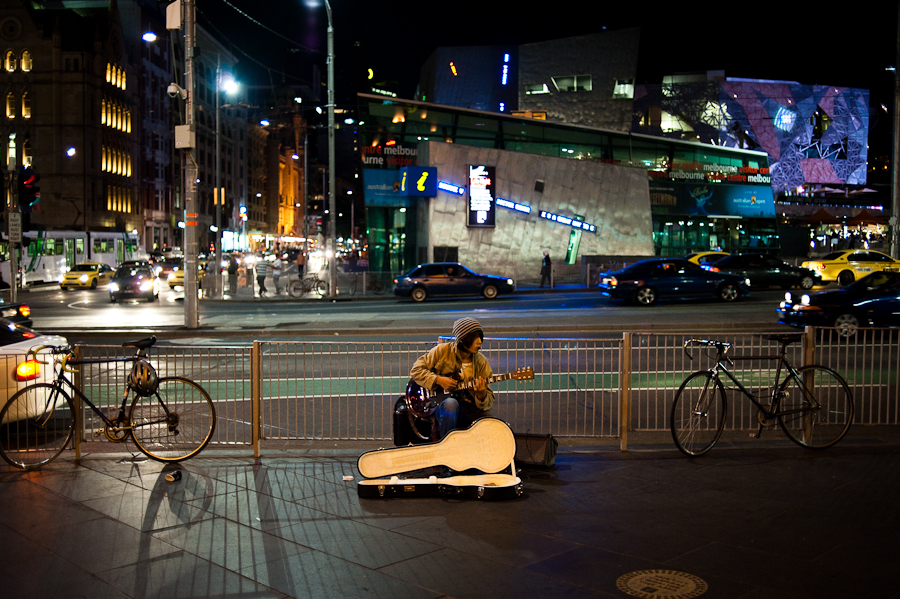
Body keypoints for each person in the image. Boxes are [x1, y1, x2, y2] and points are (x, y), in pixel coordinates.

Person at [409, 317, 494, 440]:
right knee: (450, 404)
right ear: (462, 340)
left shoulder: (481, 362)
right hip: (438, 405)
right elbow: (416, 370)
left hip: (467, 405)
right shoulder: (442, 351)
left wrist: (481, 395)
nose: (480, 341)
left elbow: (488, 402)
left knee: (490, 422)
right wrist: (438, 380)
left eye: (481, 337)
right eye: (475, 338)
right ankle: (445, 446)